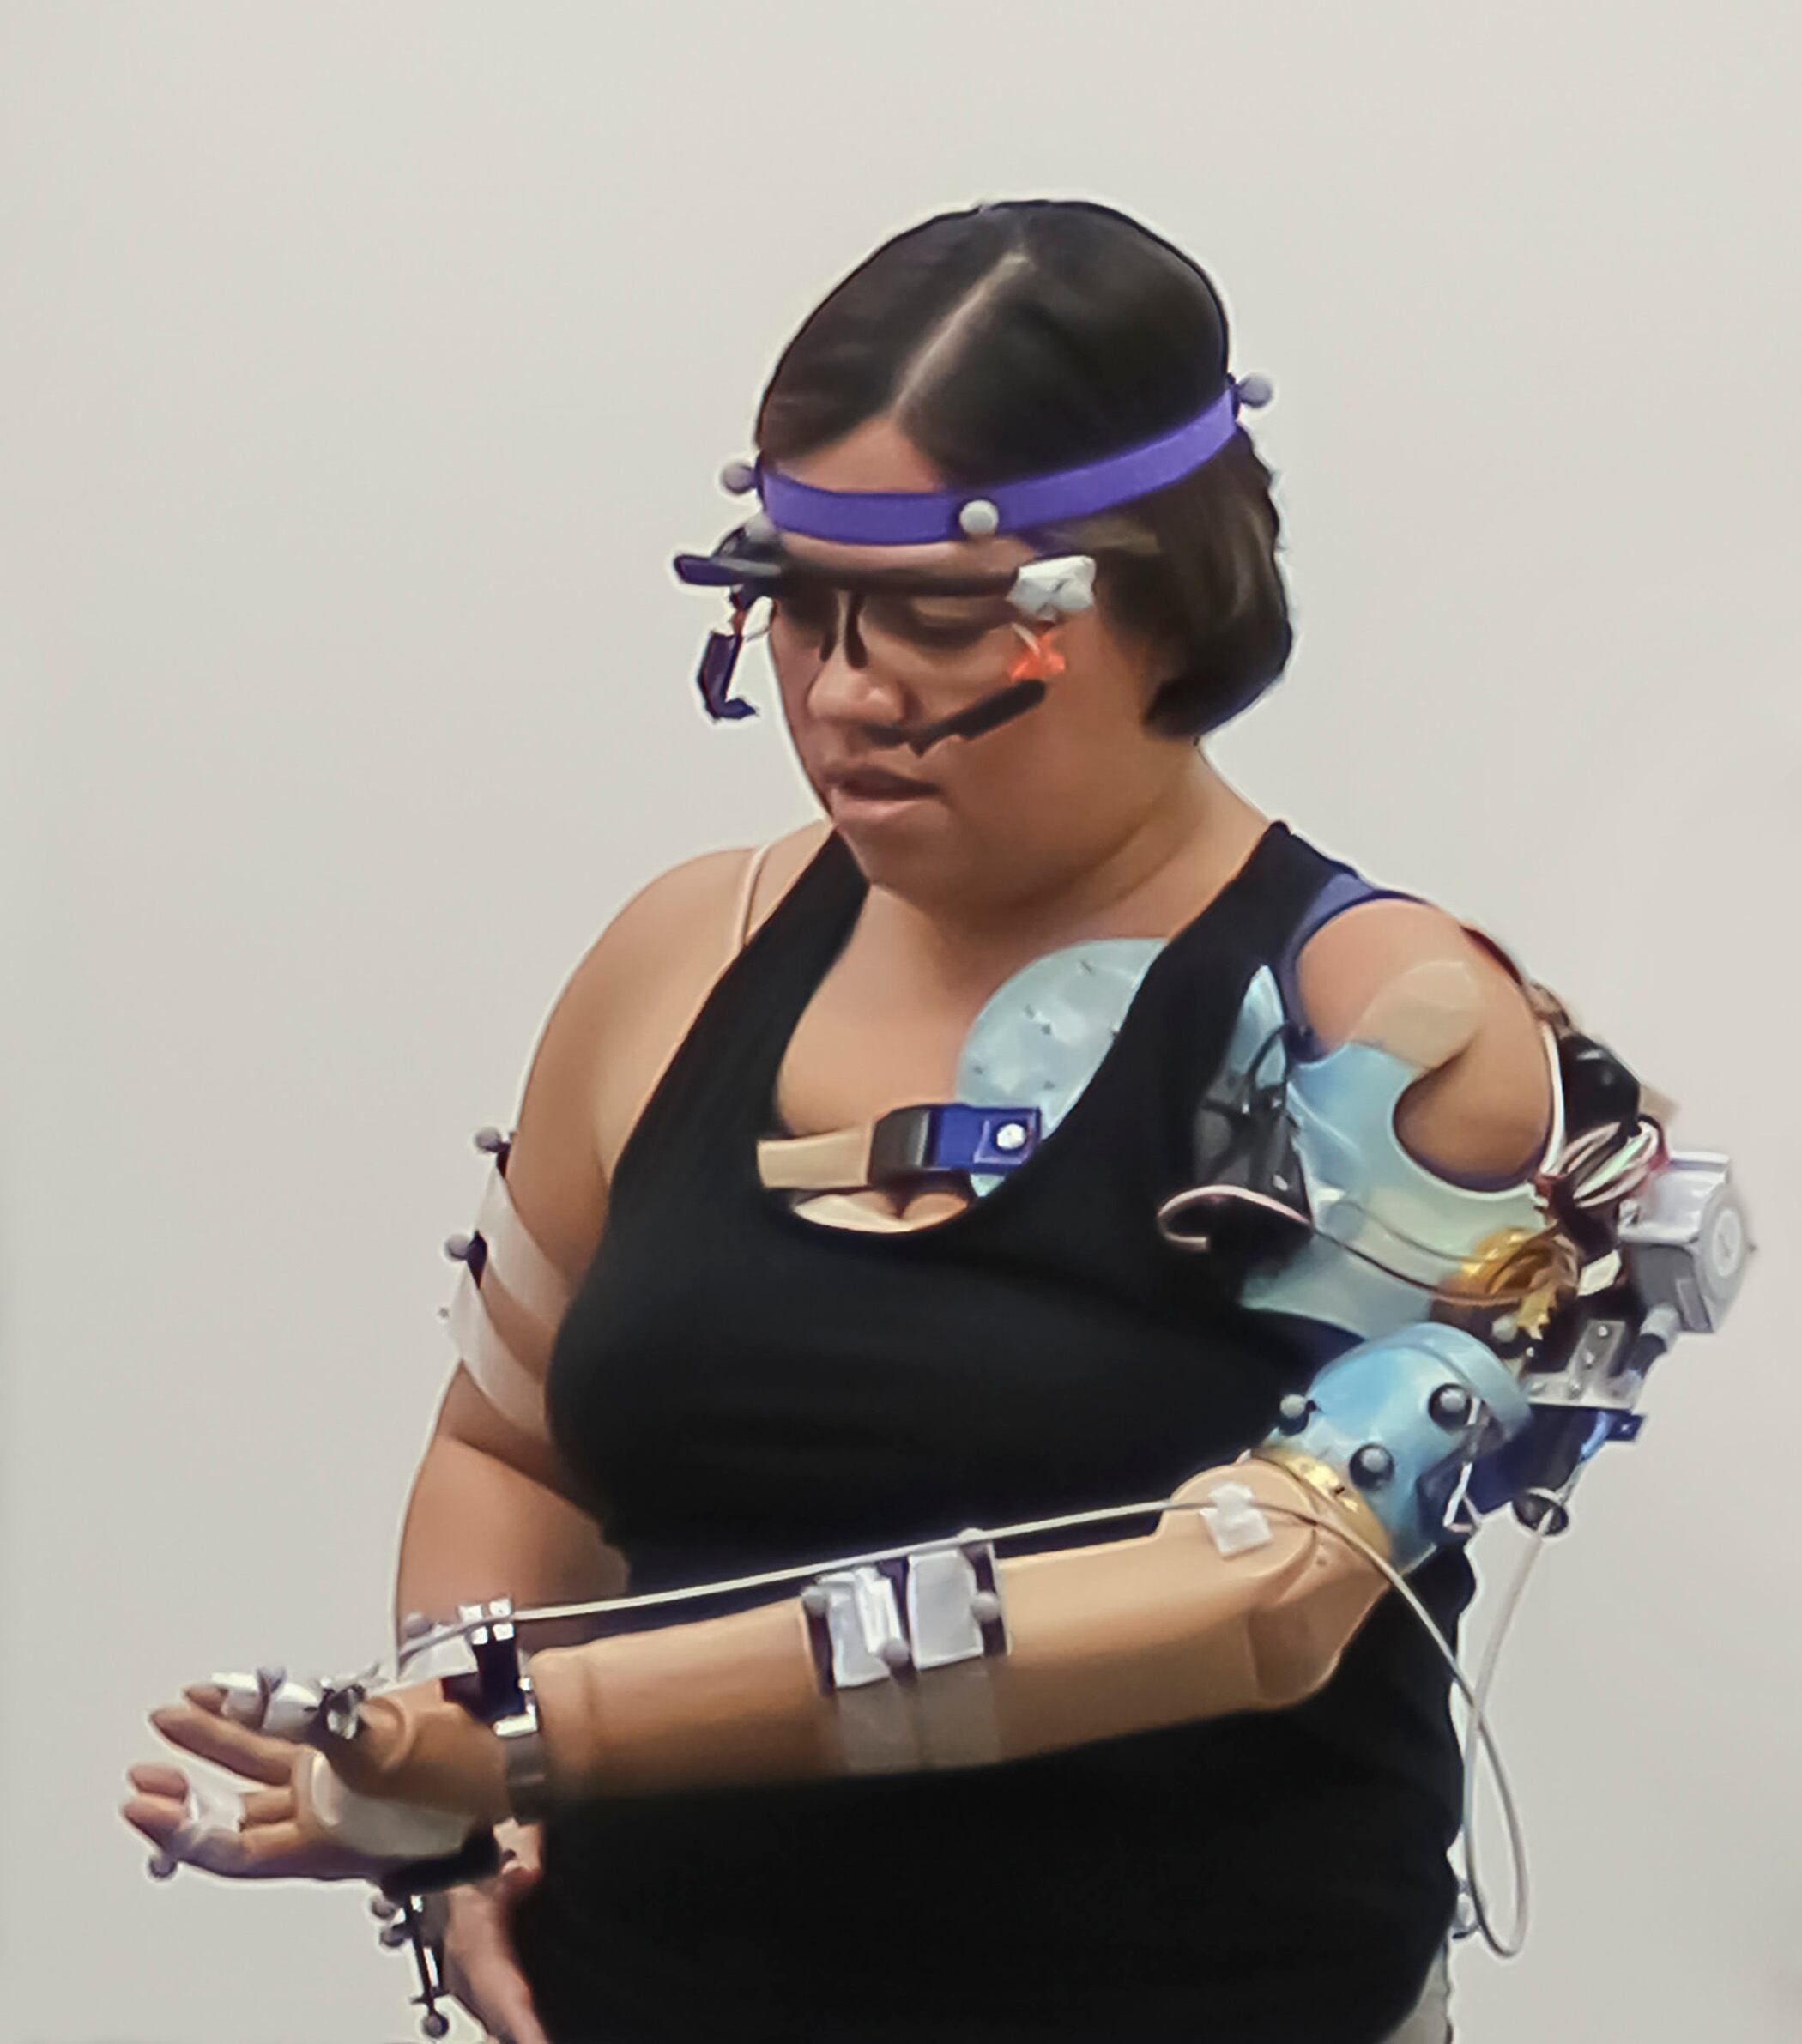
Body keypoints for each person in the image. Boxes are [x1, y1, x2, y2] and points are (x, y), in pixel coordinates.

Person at [126, 198, 1571, 2044]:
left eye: (945, 623)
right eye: (799, 607)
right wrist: (461, 1805)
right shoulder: (684, 955)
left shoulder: (1382, 1032)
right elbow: (512, 1452)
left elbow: (1254, 1598)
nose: (845, 692)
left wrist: (510, 1735)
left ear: (1170, 598)